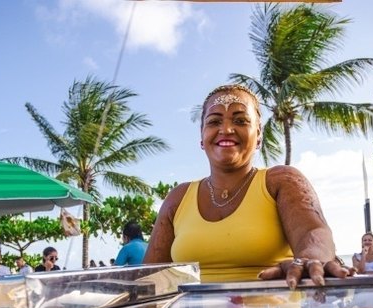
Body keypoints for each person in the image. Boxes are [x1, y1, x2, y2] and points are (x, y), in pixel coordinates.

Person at [143, 83, 347, 287]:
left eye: (240, 121)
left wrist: (309, 259)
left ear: (258, 135)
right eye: (214, 122)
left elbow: (312, 232)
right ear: (202, 137)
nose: (226, 129)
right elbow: (151, 277)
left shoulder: (281, 181)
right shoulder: (178, 198)